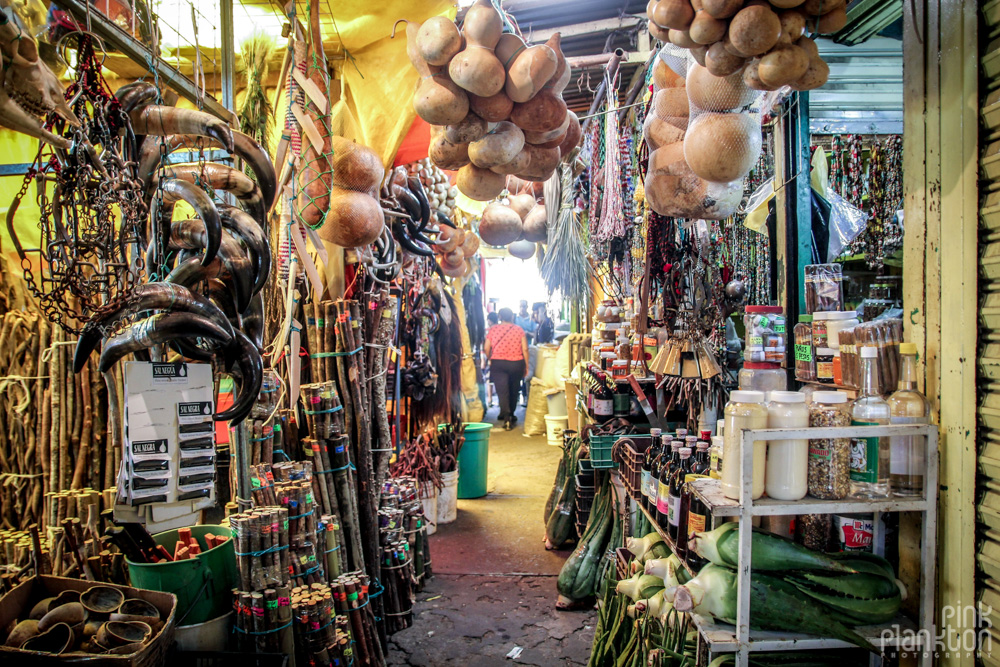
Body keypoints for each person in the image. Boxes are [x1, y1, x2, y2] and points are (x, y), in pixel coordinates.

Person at [483, 307, 529, 430]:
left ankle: (506, 416)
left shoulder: (493, 330)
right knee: (514, 389)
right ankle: (511, 413)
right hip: (516, 363)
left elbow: (487, 348)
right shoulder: (519, 330)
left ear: (499, 317)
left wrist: (490, 358)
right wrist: (527, 365)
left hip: (498, 364)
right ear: (512, 317)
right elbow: (525, 349)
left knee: (502, 391)